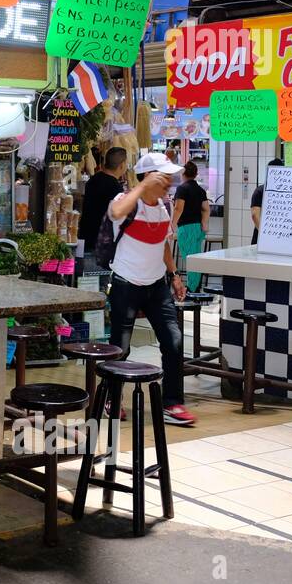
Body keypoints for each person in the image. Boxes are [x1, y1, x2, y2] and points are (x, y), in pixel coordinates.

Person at [107, 153, 194, 426]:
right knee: (120, 348)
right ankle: (112, 399)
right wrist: (142, 187)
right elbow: (115, 214)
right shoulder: (125, 202)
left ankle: (172, 404)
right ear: (148, 177)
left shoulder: (162, 206)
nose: (169, 182)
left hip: (157, 285)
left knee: (173, 341)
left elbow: (163, 244)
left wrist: (174, 274)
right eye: (163, 177)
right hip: (126, 284)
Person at [78, 147, 127, 253]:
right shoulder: (116, 188)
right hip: (102, 243)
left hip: (85, 236)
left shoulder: (93, 179)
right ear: (122, 165)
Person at [172, 161, 210, 293]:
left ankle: (192, 289)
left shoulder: (182, 189)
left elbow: (178, 209)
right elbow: (206, 209)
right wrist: (204, 225)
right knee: (195, 257)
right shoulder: (200, 190)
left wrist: (171, 226)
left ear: (183, 173)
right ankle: (194, 287)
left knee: (189, 258)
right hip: (198, 228)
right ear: (196, 174)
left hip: (186, 228)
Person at [250, 157, 284, 244]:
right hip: (281, 235)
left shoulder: (259, 190)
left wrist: (264, 233)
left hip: (261, 235)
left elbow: (255, 215)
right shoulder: (286, 193)